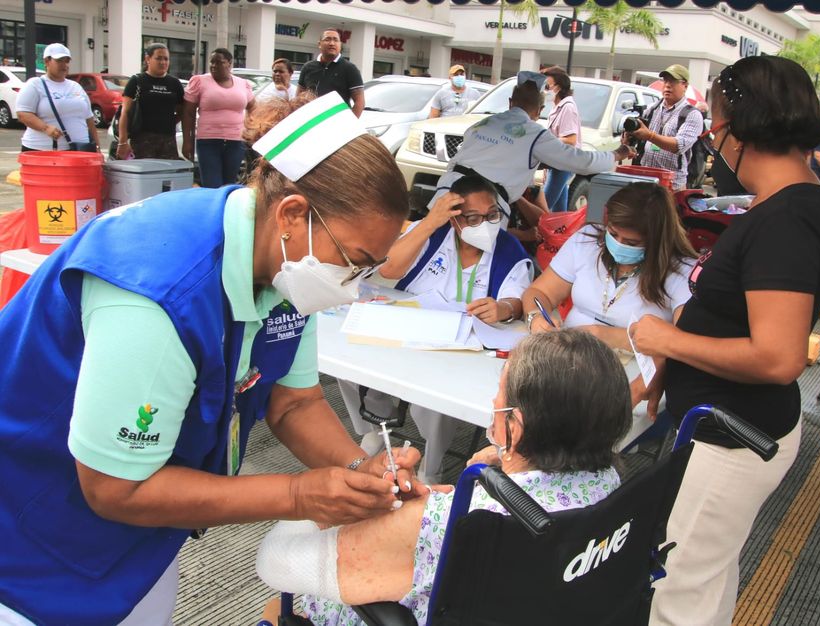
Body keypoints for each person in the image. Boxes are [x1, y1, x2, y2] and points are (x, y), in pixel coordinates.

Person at [0, 92, 427, 626]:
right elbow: (115, 488)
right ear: (293, 214)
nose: (352, 285)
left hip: (148, 525)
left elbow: (294, 402)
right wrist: (299, 494)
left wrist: (359, 469)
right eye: (355, 263)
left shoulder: (290, 263)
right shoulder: (157, 295)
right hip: (30, 529)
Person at [630, 56, 820, 626]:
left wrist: (670, 343)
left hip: (733, 436)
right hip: (723, 423)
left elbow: (779, 357)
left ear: (742, 130)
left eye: (716, 128)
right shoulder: (786, 204)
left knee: (677, 591)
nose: (714, 143)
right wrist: (670, 375)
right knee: (706, 577)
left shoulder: (785, 221)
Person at [256, 329, 630, 626]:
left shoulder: (453, 519)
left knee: (275, 608)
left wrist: (353, 502)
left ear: (513, 426)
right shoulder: (613, 483)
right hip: (548, 605)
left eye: (498, 397)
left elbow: (277, 561)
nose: (492, 405)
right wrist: (486, 469)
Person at [339, 175, 533, 483]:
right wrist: (430, 221)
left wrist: (504, 308)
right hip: (411, 330)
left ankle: (434, 461)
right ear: (454, 218)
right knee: (348, 363)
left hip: (459, 349)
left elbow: (518, 298)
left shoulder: (507, 249)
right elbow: (389, 268)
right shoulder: (432, 234)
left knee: (433, 397)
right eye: (472, 217)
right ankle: (375, 429)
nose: (486, 224)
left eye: (492, 214)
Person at [522, 182, 695, 407]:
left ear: (657, 240)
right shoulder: (587, 241)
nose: (619, 245)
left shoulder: (682, 271)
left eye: (632, 243)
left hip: (635, 374)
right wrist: (536, 318)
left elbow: (684, 343)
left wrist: (603, 335)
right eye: (612, 234)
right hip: (567, 363)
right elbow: (539, 292)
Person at [427, 72, 634, 226]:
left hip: (446, 193)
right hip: (482, 206)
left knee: (433, 251)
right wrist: (618, 153)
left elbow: (495, 155)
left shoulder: (483, 123)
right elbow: (582, 161)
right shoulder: (535, 134)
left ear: (510, 102)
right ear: (540, 110)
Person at [182, 48, 255, 188]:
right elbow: (188, 113)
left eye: (219, 62)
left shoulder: (242, 83)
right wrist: (188, 141)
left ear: (229, 63)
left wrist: (249, 130)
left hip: (235, 142)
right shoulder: (199, 81)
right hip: (208, 142)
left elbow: (253, 107)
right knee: (212, 185)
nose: (214, 65)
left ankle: (225, 210)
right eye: (211, 62)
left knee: (229, 185)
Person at [627, 64, 705, 191]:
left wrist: (650, 136)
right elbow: (640, 135)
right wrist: (630, 139)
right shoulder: (652, 108)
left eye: (673, 81)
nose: (668, 85)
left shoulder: (692, 115)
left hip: (672, 185)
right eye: (666, 81)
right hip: (645, 181)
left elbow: (678, 146)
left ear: (685, 86)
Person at [15, 43, 99, 152]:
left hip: (79, 150)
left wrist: (97, 146)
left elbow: (89, 119)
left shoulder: (75, 86)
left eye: (67, 61)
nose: (64, 65)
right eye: (59, 60)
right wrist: (45, 128)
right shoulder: (35, 84)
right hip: (43, 150)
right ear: (46, 61)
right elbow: (23, 114)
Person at [116, 43, 186, 160]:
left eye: (166, 59)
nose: (163, 62)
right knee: (144, 175)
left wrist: (167, 122)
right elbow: (125, 113)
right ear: (148, 59)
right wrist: (122, 142)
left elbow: (182, 111)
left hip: (167, 139)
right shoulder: (137, 81)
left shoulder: (175, 83)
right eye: (158, 58)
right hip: (141, 139)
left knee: (166, 176)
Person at [541, 66, 582, 212]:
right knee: (559, 209)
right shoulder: (557, 107)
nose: (544, 90)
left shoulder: (568, 107)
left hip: (564, 162)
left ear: (559, 87)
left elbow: (571, 139)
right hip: (557, 162)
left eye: (547, 86)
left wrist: (545, 142)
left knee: (543, 206)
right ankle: (561, 232)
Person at [297, 28, 364, 117]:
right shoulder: (308, 67)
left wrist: (349, 125)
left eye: (335, 40)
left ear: (340, 44)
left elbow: (359, 101)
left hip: (336, 123)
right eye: (327, 39)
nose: (332, 43)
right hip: (311, 122)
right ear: (319, 44)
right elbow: (298, 97)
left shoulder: (350, 69)